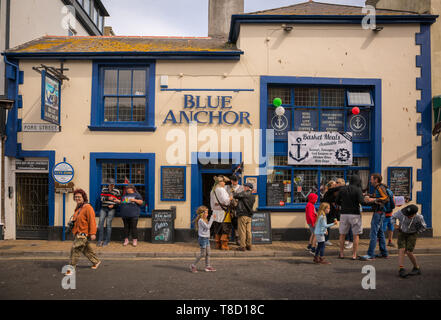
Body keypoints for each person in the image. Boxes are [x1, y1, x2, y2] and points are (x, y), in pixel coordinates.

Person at [65, 189, 100, 275]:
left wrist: (93, 233)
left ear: (83, 197)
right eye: (76, 197)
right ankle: (96, 261)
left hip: (83, 233)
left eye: (79, 197)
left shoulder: (88, 207)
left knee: (75, 249)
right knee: (85, 249)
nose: (77, 198)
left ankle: (71, 268)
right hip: (77, 232)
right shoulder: (79, 207)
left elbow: (92, 221)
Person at [336, 175, 368, 260]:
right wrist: (371, 201)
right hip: (355, 214)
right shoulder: (358, 190)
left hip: (344, 213)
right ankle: (354, 254)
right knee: (355, 235)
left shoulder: (342, 189)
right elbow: (362, 202)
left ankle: (341, 253)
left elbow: (337, 201)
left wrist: (343, 204)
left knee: (342, 234)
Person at [391, 204, 427, 278]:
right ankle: (401, 269)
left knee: (409, 251)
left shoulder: (419, 217)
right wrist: (394, 224)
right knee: (401, 249)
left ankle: (416, 268)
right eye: (406, 214)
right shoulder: (401, 212)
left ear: (414, 214)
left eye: (409, 215)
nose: (407, 216)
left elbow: (423, 227)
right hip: (402, 232)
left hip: (412, 234)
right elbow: (393, 217)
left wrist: (417, 230)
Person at [360, 173, 389, 261]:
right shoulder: (379, 187)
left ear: (376, 180)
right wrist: (369, 196)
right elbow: (380, 197)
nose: (370, 181)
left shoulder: (380, 187)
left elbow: (385, 198)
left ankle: (370, 254)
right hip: (380, 212)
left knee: (373, 233)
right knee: (380, 233)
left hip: (378, 213)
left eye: (371, 179)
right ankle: (384, 253)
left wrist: (374, 199)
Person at [190, 206, 216, 273]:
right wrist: (212, 219)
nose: (207, 214)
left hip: (206, 238)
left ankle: (207, 266)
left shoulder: (205, 219)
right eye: (206, 213)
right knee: (202, 254)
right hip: (202, 239)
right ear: (202, 214)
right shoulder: (201, 220)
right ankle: (193, 265)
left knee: (208, 253)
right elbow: (208, 227)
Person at [210, 176, 232, 250]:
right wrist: (230, 198)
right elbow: (226, 201)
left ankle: (217, 244)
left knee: (217, 228)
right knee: (225, 228)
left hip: (215, 212)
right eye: (223, 182)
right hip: (224, 212)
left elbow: (212, 204)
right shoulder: (221, 190)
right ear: (220, 182)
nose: (224, 183)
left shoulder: (213, 190)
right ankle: (224, 246)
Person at [97, 179, 121, 247]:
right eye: (110, 184)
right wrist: (108, 198)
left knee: (108, 224)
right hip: (103, 208)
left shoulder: (117, 191)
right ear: (108, 184)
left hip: (112, 209)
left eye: (113, 184)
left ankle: (107, 241)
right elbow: (101, 199)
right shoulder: (104, 190)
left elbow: (119, 201)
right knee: (100, 223)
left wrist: (113, 204)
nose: (112, 185)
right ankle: (100, 240)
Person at [234, 182, 256, 251]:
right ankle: (249, 245)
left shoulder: (244, 193)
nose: (243, 188)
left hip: (242, 215)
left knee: (242, 231)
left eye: (244, 186)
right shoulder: (253, 196)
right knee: (248, 231)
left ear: (247, 187)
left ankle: (242, 246)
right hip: (249, 215)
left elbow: (235, 195)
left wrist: (233, 191)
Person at [322, 180, 343, 246]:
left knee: (328, 225)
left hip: (330, 212)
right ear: (330, 186)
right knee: (325, 225)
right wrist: (343, 186)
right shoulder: (328, 191)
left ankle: (326, 239)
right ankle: (324, 239)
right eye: (334, 185)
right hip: (326, 211)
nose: (335, 186)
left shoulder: (333, 193)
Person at [225, 175, 244, 245]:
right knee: (228, 224)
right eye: (234, 181)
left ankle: (237, 239)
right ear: (231, 181)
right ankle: (227, 239)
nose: (235, 182)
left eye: (236, 181)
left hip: (238, 209)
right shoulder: (227, 187)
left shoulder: (241, 188)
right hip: (229, 209)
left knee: (237, 225)